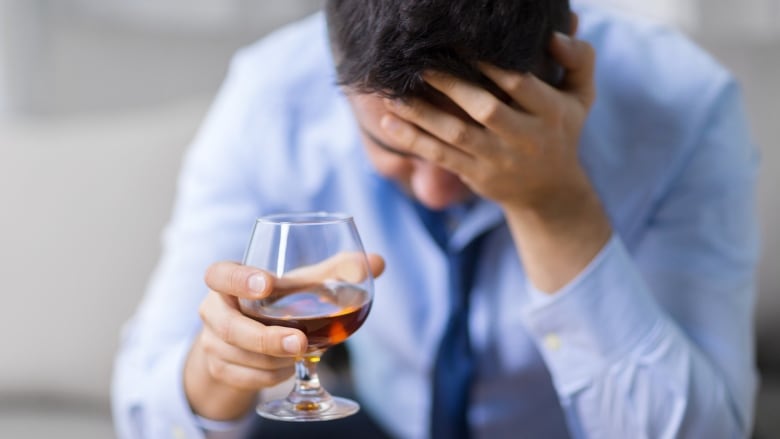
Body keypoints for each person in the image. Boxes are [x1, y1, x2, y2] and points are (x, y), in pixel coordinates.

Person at [112, 0, 760, 437]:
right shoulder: (273, 98)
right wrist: (221, 367)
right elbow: (143, 409)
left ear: (565, 72)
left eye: (475, 151)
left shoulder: (686, 107)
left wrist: (551, 201)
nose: (436, 191)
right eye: (395, 147)